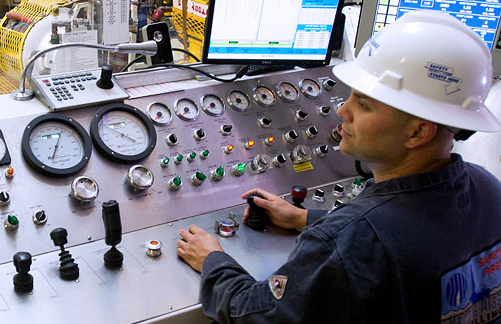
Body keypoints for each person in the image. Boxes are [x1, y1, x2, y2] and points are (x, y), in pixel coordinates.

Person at [177, 10, 501, 324]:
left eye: (364, 104)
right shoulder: (488, 188)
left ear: (418, 132)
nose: (343, 111)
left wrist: (212, 261)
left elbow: (257, 314)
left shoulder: (347, 243)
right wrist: (306, 218)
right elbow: (403, 237)